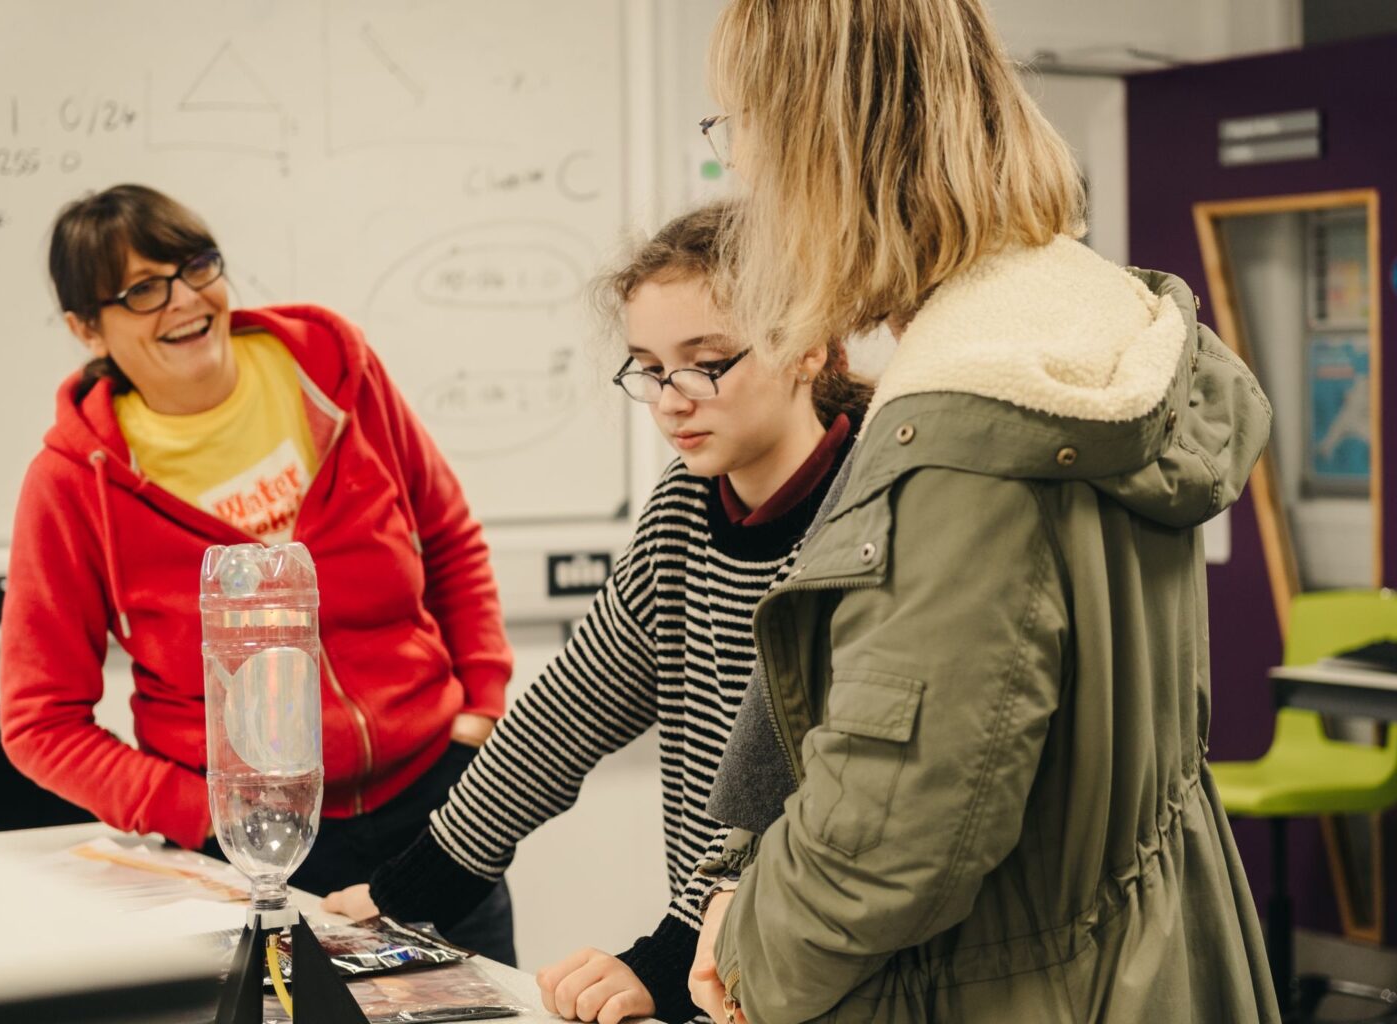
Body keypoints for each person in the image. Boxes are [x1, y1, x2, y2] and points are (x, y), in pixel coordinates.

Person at [686, 2, 1281, 1022]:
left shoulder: (966, 426)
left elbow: (893, 833)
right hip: (1151, 959)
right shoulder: (1088, 325)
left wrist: (746, 953)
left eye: (735, 123)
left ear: (816, 142)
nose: (733, 164)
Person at [323, 201, 875, 1024]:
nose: (670, 400)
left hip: (835, 969)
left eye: (707, 361)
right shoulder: (685, 504)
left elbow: (821, 792)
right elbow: (571, 708)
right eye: (648, 367)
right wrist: (421, 882)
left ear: (809, 347)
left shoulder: (869, 517)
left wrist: (673, 947)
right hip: (721, 969)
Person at [0, 183, 517, 963]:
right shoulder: (78, 480)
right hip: (255, 858)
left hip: (438, 807)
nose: (185, 301)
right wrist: (203, 811)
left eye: (196, 265)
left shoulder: (330, 367)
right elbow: (40, 722)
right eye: (143, 290)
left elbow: (447, 537)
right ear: (86, 328)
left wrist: (478, 714)